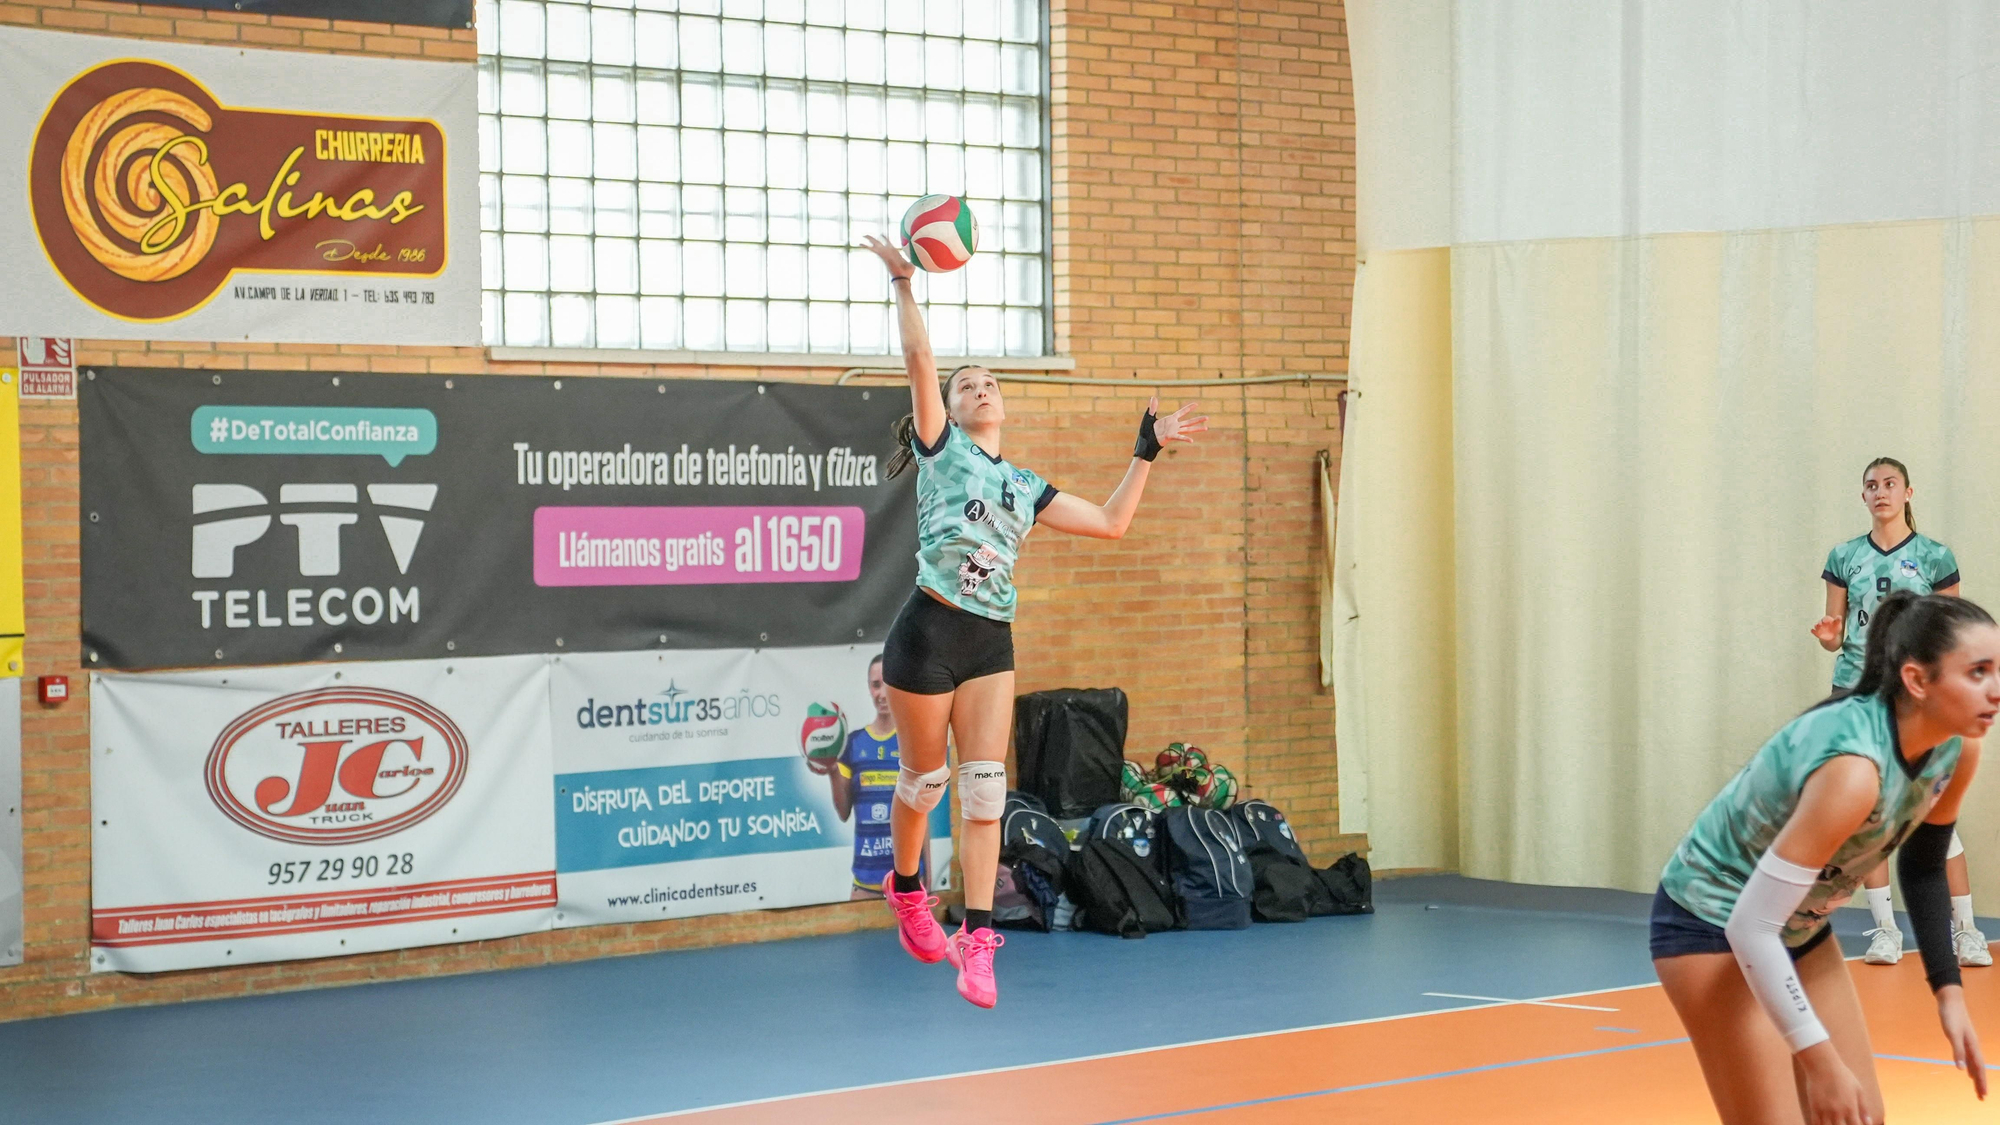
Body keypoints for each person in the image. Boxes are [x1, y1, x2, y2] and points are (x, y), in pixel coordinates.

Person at [859, 232, 1205, 1008]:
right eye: (967, 384)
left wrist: (1145, 449)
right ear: (946, 408)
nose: (979, 388)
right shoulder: (942, 449)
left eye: (988, 382)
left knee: (985, 794)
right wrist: (905, 286)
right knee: (924, 780)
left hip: (989, 640)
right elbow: (920, 362)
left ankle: (977, 940)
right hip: (926, 633)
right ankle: (908, 888)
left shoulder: (1024, 485)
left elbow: (1114, 524)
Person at [1658, 591, 1993, 1124]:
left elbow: (1926, 865)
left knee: (1861, 1118)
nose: (1995, 691)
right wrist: (1821, 1063)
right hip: (1712, 920)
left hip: (1793, 925)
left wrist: (1948, 992)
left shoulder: (1957, 748)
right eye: (1978, 672)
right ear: (1917, 681)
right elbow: (1750, 927)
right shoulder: (1856, 771)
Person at [1811, 456, 1989, 968]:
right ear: (1862, 496)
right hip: (1856, 691)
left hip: (1916, 697)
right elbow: (1836, 632)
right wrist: (1829, 639)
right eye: (1871, 485)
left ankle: (1966, 931)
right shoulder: (1844, 556)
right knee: (1867, 814)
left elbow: (1953, 636)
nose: (1880, 492)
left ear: (1908, 493)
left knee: (1931, 810)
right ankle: (1885, 929)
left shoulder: (1933, 556)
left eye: (1890, 484)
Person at [810, 653, 944, 899]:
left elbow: (921, 815)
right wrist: (831, 771)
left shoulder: (912, 741)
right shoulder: (853, 743)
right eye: (875, 685)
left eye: (886, 683)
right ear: (869, 689)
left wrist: (929, 875)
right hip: (865, 885)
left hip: (909, 883)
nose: (881, 693)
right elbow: (843, 812)